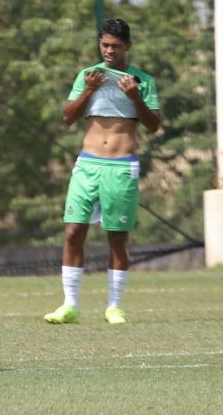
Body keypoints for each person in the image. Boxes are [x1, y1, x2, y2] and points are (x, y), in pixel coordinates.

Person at [45, 17, 162, 326]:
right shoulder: (88, 75)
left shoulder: (142, 81)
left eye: (116, 46)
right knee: (73, 231)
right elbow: (68, 117)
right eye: (105, 45)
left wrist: (134, 96)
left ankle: (114, 306)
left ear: (128, 47)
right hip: (88, 165)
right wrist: (87, 90)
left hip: (121, 167)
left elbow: (154, 125)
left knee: (117, 238)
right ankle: (70, 304)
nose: (109, 51)